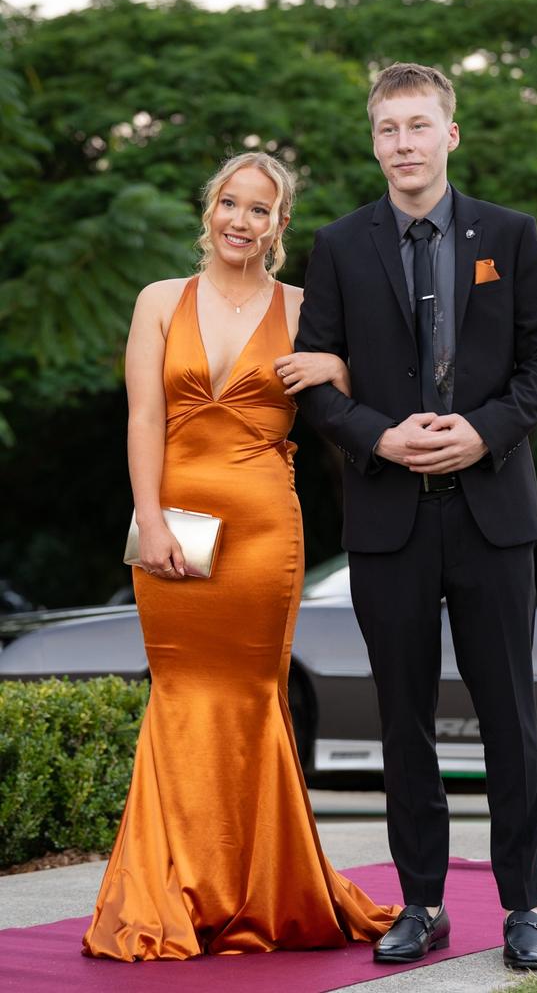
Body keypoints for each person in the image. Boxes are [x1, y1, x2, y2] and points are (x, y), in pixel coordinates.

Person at [276, 63, 537, 972]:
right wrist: (380, 438)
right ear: (375, 143)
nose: (402, 144)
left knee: (508, 719)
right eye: (387, 130)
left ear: (450, 133)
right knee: (403, 720)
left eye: (417, 126)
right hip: (389, 518)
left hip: (491, 515)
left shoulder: (511, 237)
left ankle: (524, 910)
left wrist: (481, 434)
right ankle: (424, 903)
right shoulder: (339, 245)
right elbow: (313, 378)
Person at [81, 151, 399, 961]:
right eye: (231, 202)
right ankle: (172, 891)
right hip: (173, 526)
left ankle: (262, 894)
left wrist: (334, 363)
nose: (241, 220)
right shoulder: (160, 300)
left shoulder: (302, 308)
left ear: (279, 226)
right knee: (181, 696)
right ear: (210, 208)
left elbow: (368, 391)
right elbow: (143, 420)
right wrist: (148, 520)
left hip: (263, 534)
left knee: (254, 699)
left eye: (261, 209)